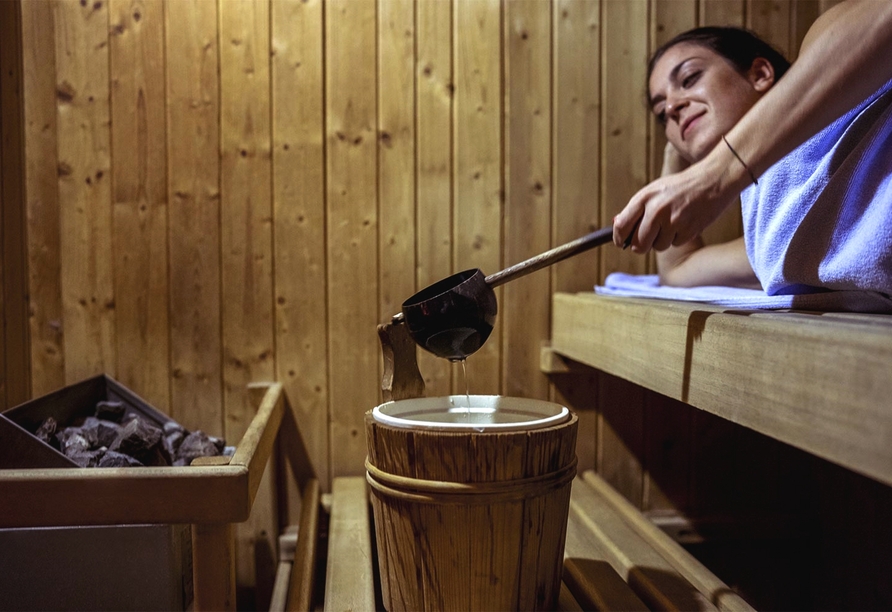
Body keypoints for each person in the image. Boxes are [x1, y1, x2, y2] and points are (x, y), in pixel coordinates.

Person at [612, 0, 892, 300]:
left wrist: (715, 173)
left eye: (690, 78)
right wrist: (675, 155)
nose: (672, 107)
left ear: (759, 74)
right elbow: (679, 269)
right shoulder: (776, 232)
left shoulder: (827, 40)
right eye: (662, 115)